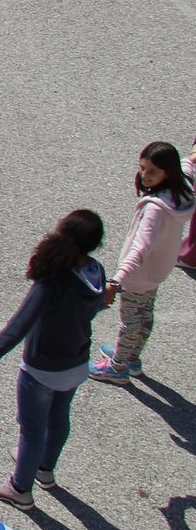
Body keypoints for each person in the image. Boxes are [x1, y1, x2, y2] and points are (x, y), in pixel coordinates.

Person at [0, 209, 109, 509]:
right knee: (59, 418)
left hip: (42, 369)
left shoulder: (53, 281)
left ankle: (19, 488)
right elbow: (97, 306)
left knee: (32, 429)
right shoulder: (97, 272)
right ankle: (45, 471)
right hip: (76, 363)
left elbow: (19, 326)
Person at [91, 142, 196, 384]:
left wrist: (116, 280)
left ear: (166, 173)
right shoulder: (184, 188)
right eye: (142, 168)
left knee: (130, 321)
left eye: (152, 171)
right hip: (158, 269)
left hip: (137, 275)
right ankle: (132, 358)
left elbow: (140, 247)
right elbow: (188, 165)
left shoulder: (155, 210)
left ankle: (118, 366)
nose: (144, 175)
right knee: (144, 313)